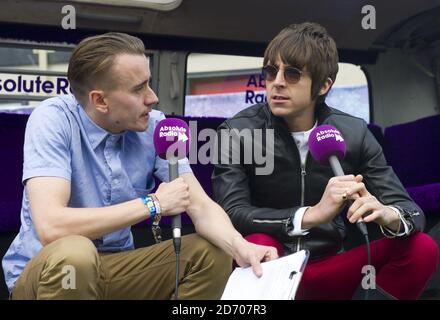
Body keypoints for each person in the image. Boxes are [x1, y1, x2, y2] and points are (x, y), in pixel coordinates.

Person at [1, 32, 277, 300]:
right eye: (138, 89)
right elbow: (52, 227)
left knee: (212, 251)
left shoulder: (156, 125)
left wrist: (242, 247)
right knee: (76, 253)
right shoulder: (53, 119)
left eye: (149, 83)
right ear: (100, 100)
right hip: (52, 272)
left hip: (118, 268)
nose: (153, 97)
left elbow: (201, 206)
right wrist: (153, 204)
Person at [212, 22, 438, 300]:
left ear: (323, 85)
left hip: (330, 265)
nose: (277, 82)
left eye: (292, 74)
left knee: (422, 248)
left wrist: (387, 214)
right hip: (270, 263)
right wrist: (312, 215)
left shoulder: (354, 134)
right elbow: (232, 211)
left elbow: (412, 212)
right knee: (258, 243)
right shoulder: (237, 131)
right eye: (271, 71)